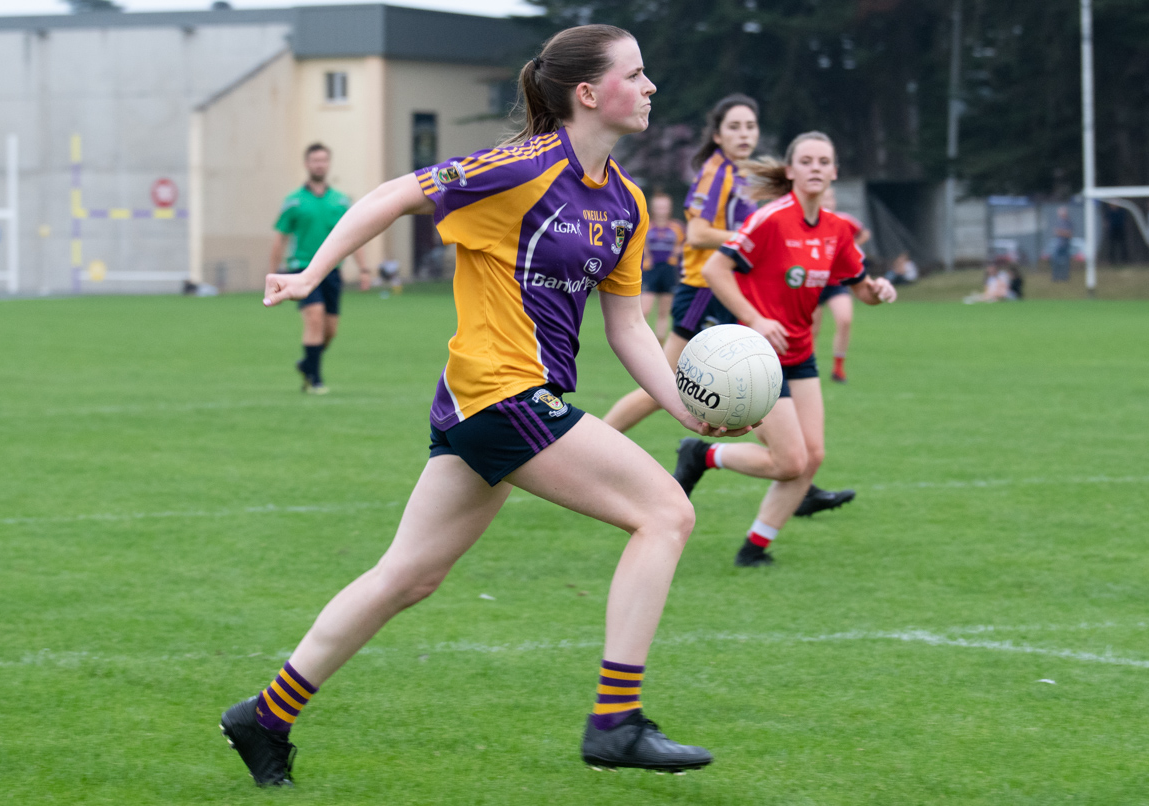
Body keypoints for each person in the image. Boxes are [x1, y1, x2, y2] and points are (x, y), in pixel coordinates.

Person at [219, 25, 751, 787]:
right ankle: (615, 721)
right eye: (636, 75)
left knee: (407, 576)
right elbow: (394, 194)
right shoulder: (522, 166)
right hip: (499, 392)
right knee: (666, 513)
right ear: (588, 93)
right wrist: (312, 273)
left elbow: (628, 327)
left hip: (502, 401)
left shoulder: (627, 204)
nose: (650, 87)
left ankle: (263, 716)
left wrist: (685, 408)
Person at [677, 132, 896, 567]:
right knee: (790, 461)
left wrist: (880, 290)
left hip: (800, 355)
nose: (816, 167)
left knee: (812, 456)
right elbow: (718, 269)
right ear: (791, 171)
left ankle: (753, 550)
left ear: (834, 172)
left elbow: (862, 290)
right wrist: (756, 319)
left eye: (824, 161)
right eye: (807, 160)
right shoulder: (771, 219)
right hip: (756, 356)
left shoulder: (838, 231)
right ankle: (703, 453)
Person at [600, 94, 758, 432]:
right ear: (718, 135)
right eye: (734, 127)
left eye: (750, 126)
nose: (744, 134)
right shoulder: (716, 174)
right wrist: (752, 238)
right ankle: (594, 442)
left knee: (756, 376)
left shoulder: (738, 174)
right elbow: (699, 234)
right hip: (703, 290)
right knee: (663, 389)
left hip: (727, 289)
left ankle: (793, 462)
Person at [270, 143, 372, 394]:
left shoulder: (340, 201)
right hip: (301, 269)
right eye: (315, 160)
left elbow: (355, 235)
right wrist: (273, 274)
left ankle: (307, 363)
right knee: (314, 317)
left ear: (328, 164)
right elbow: (280, 239)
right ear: (307, 164)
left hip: (331, 271)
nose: (319, 164)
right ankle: (315, 379)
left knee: (330, 330)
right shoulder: (293, 201)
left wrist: (364, 269)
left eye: (323, 160)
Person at [811, 186, 871, 383]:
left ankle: (838, 369)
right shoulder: (810, 224)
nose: (828, 202)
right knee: (812, 330)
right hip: (812, 283)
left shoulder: (843, 221)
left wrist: (851, 249)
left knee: (845, 319)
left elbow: (863, 233)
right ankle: (810, 367)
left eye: (830, 198)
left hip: (837, 281)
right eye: (823, 198)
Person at [641, 191, 685, 341]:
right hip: (650, 270)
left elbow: (685, 245)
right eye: (659, 207)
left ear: (669, 208)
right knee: (643, 311)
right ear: (653, 208)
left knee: (663, 312)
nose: (662, 210)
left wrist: (676, 252)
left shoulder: (677, 227)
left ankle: (660, 344)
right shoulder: (646, 225)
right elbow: (640, 245)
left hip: (669, 271)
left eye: (664, 207)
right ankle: (642, 342)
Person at [1051, 206, 1073, 282]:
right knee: (1055, 261)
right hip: (1059, 244)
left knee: (1066, 262)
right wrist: (1063, 232)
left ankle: (1064, 277)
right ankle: (1056, 277)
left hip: (1066, 245)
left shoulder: (1069, 222)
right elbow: (1056, 232)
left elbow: (1069, 234)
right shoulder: (1058, 222)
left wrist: (1061, 232)